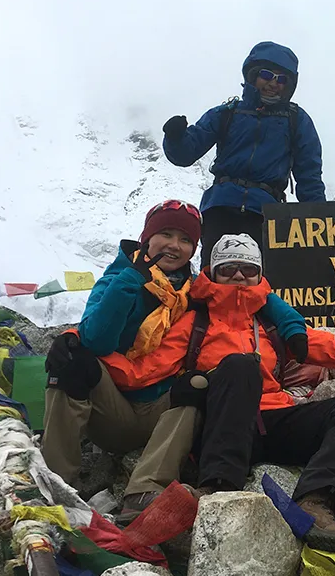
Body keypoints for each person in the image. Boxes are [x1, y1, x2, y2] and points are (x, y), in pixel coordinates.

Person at [40, 200, 309, 523]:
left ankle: (143, 490)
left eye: (185, 240)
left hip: (162, 408)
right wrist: (128, 282)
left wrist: (294, 328)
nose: (174, 245)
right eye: (165, 234)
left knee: (197, 384)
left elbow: (255, 295)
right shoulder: (117, 278)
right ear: (146, 238)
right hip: (113, 408)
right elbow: (98, 339)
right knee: (73, 361)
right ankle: (56, 485)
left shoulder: (192, 289)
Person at [174, 233, 335, 553]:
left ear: (260, 274)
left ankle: (315, 503)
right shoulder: (193, 323)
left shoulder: (272, 325)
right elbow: (145, 369)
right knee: (239, 366)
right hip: (221, 425)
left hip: (273, 419)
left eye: (247, 269)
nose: (238, 276)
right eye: (228, 267)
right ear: (212, 271)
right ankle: (217, 489)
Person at [162, 41, 325, 267]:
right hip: (220, 209)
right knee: (213, 278)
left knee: (258, 283)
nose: (273, 83)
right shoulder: (226, 113)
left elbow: (309, 175)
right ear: (253, 75)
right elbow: (185, 154)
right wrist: (175, 138)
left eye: (282, 79)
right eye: (267, 75)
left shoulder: (296, 120)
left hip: (266, 215)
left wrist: (320, 219)